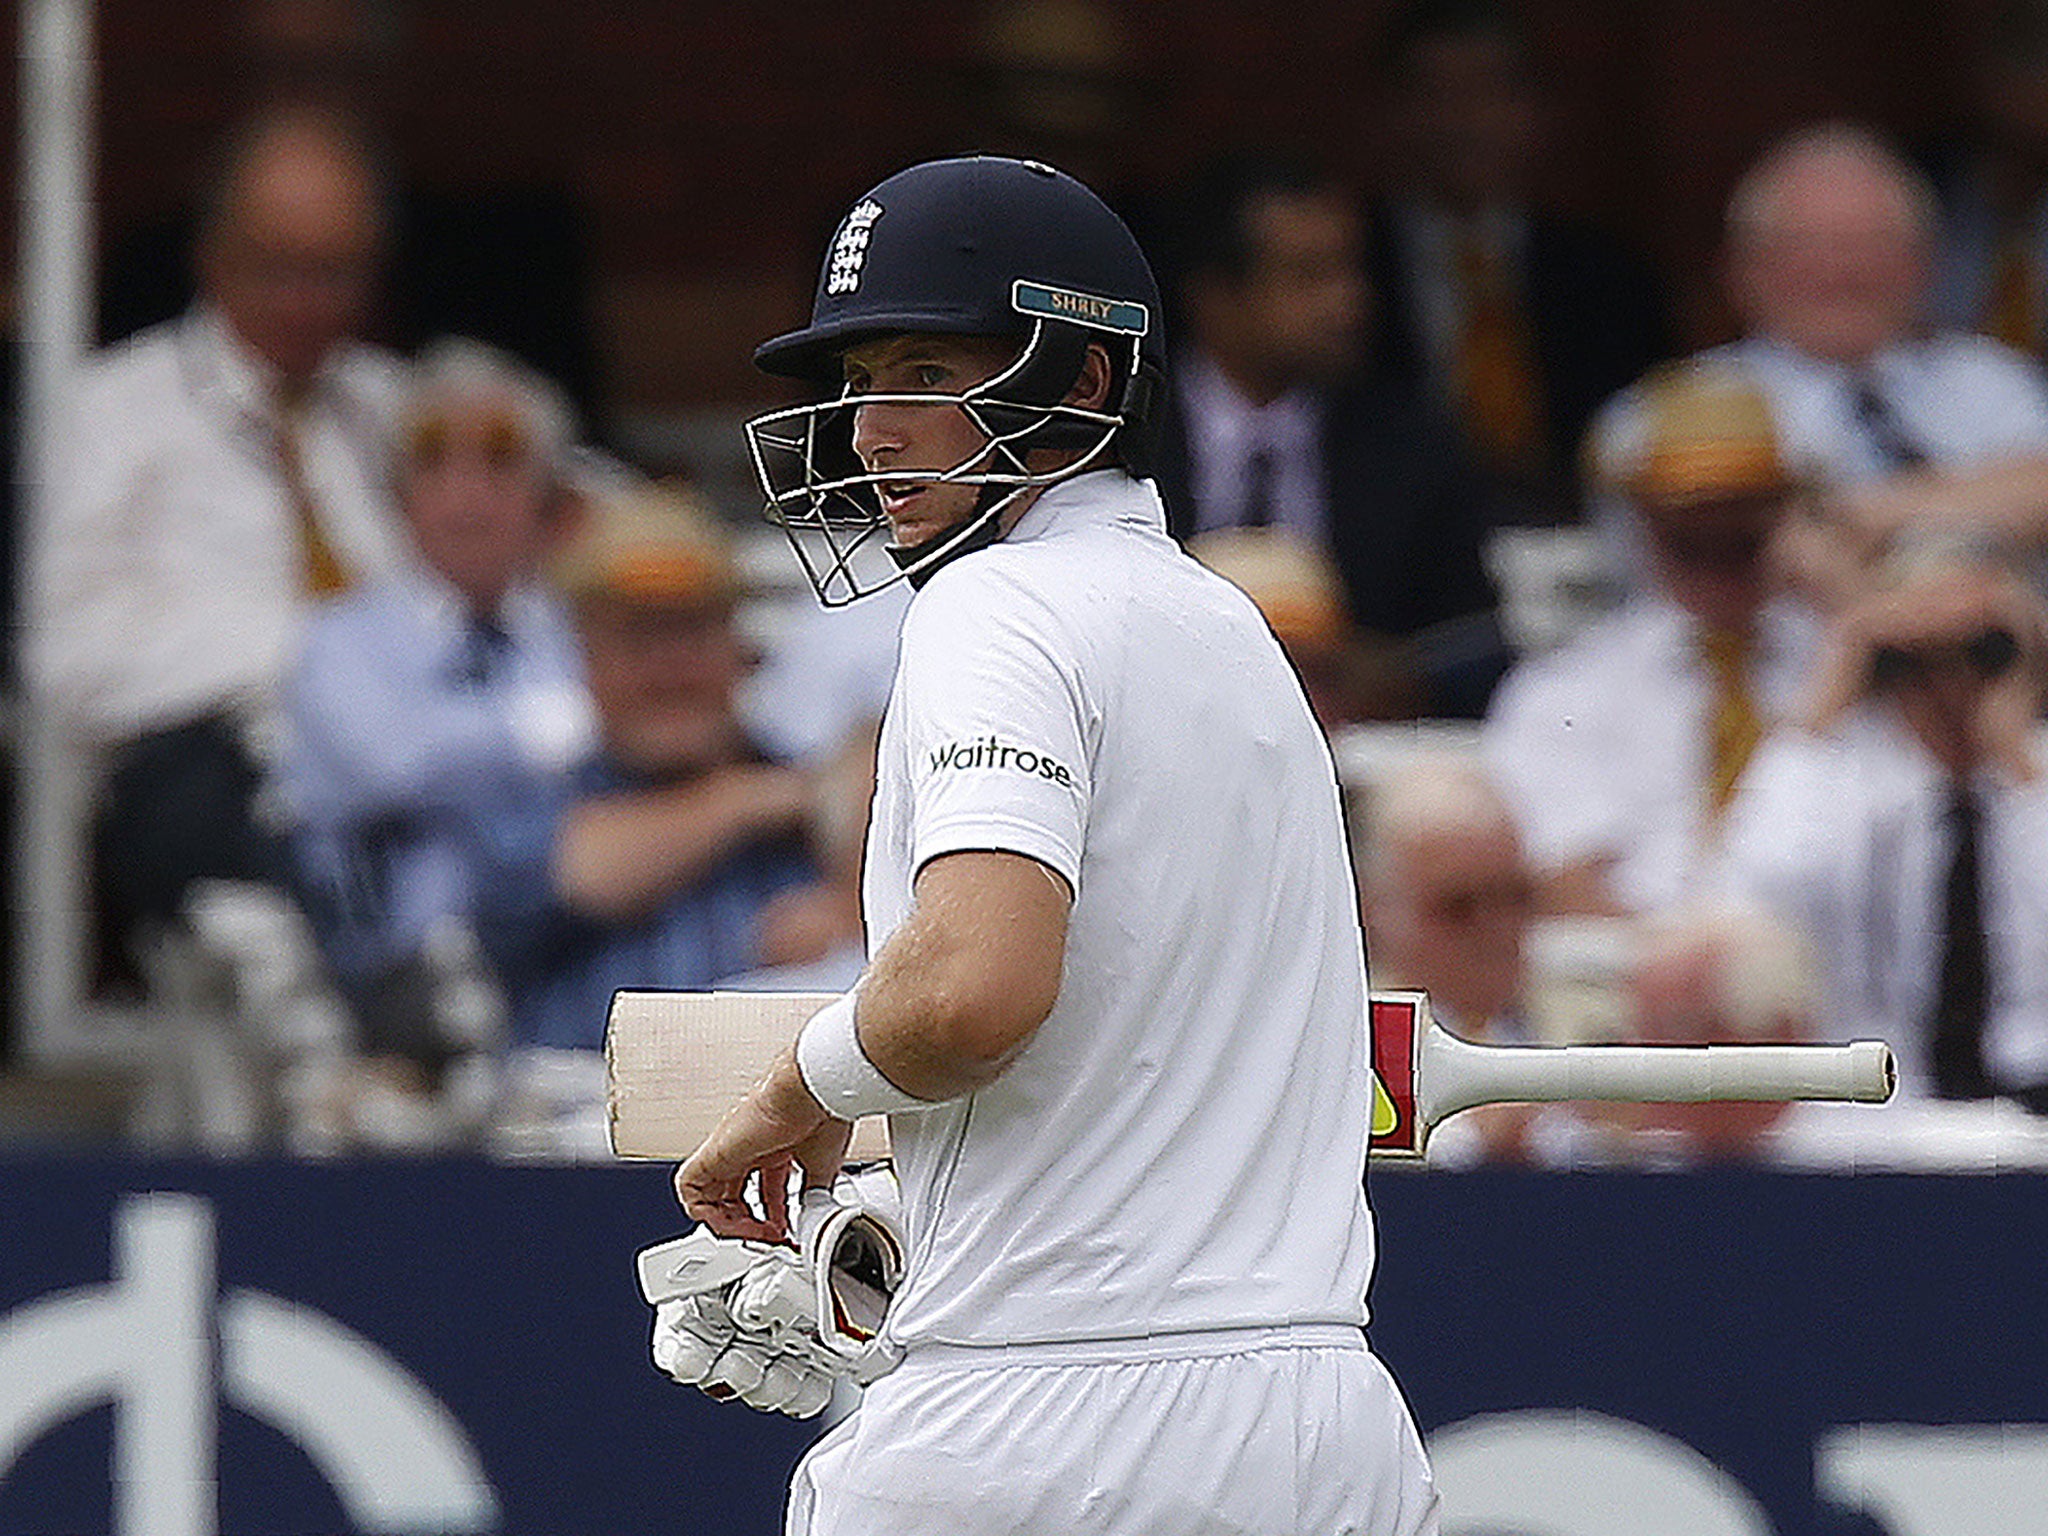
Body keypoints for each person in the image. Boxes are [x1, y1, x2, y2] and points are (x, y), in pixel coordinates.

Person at [673, 156, 1439, 1536]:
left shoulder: (997, 608)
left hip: (1039, 1428)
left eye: (919, 371)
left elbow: (977, 991)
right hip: (1328, 1431)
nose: (868, 435)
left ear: (1082, 384)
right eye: (860, 381)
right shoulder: (1232, 629)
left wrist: (807, 1085)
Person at [31, 102, 409, 958]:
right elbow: (69, 660)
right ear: (212, 256)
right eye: (281, 271)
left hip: (395, 757)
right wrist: (313, 650)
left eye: (339, 274)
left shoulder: (390, 404)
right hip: (215, 761)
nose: (310, 304)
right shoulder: (116, 413)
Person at [282, 338, 594, 1078]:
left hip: (573, 948)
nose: (467, 493)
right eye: (434, 462)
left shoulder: (577, 629)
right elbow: (392, 765)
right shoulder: (339, 641)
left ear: (545, 493)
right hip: (386, 975)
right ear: (396, 493)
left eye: (499, 461)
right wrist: (541, 734)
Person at [1591, 122, 2048, 583]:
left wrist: (1853, 516)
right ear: (1741, 269)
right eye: (1805, 245)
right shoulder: (1672, 406)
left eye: (1872, 242)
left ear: (1926, 262)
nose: (1840, 270)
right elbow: (1725, 559)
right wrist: (1981, 501)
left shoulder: (1992, 379)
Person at [470, 483, 818, 1055]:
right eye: (639, 640)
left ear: (737, 644)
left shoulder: (807, 787)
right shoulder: (529, 799)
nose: (670, 670)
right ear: (587, 656)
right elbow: (586, 871)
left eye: (692, 633)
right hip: (581, 1133)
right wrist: (742, 801)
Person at [1156, 151, 1506, 718]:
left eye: (1351, 269)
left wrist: (1389, 671)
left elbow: (1472, 646)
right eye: (1309, 276)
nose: (1349, 302)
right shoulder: (1122, 435)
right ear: (1214, 298)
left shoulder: (1411, 444)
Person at [1717, 536, 2048, 1109]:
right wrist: (1837, 671)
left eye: (1981, 650)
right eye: (1920, 655)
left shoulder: (2036, 781)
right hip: (1882, 1102)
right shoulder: (1840, 782)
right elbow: (1749, 897)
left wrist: (2017, 762)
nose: (1951, 681)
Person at [1483, 359, 1822, 916]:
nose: (1717, 562)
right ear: (1643, 528)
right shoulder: (1562, 690)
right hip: (1645, 979)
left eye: (1741, 535)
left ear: (1788, 520)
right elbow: (1568, 890)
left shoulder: (1849, 660)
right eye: (1689, 537)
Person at [1364, 0, 1675, 525]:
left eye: (1489, 92)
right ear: (1395, 112)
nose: (1465, 122)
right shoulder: (1354, 269)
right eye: (1439, 94)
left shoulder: (1609, 275)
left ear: (1533, 108)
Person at [1354, 749, 1538, 1163]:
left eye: (1516, 895)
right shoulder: (1352, 1048)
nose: (1498, 925)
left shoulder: (1597, 1021)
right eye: (1460, 904)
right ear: (1376, 909)